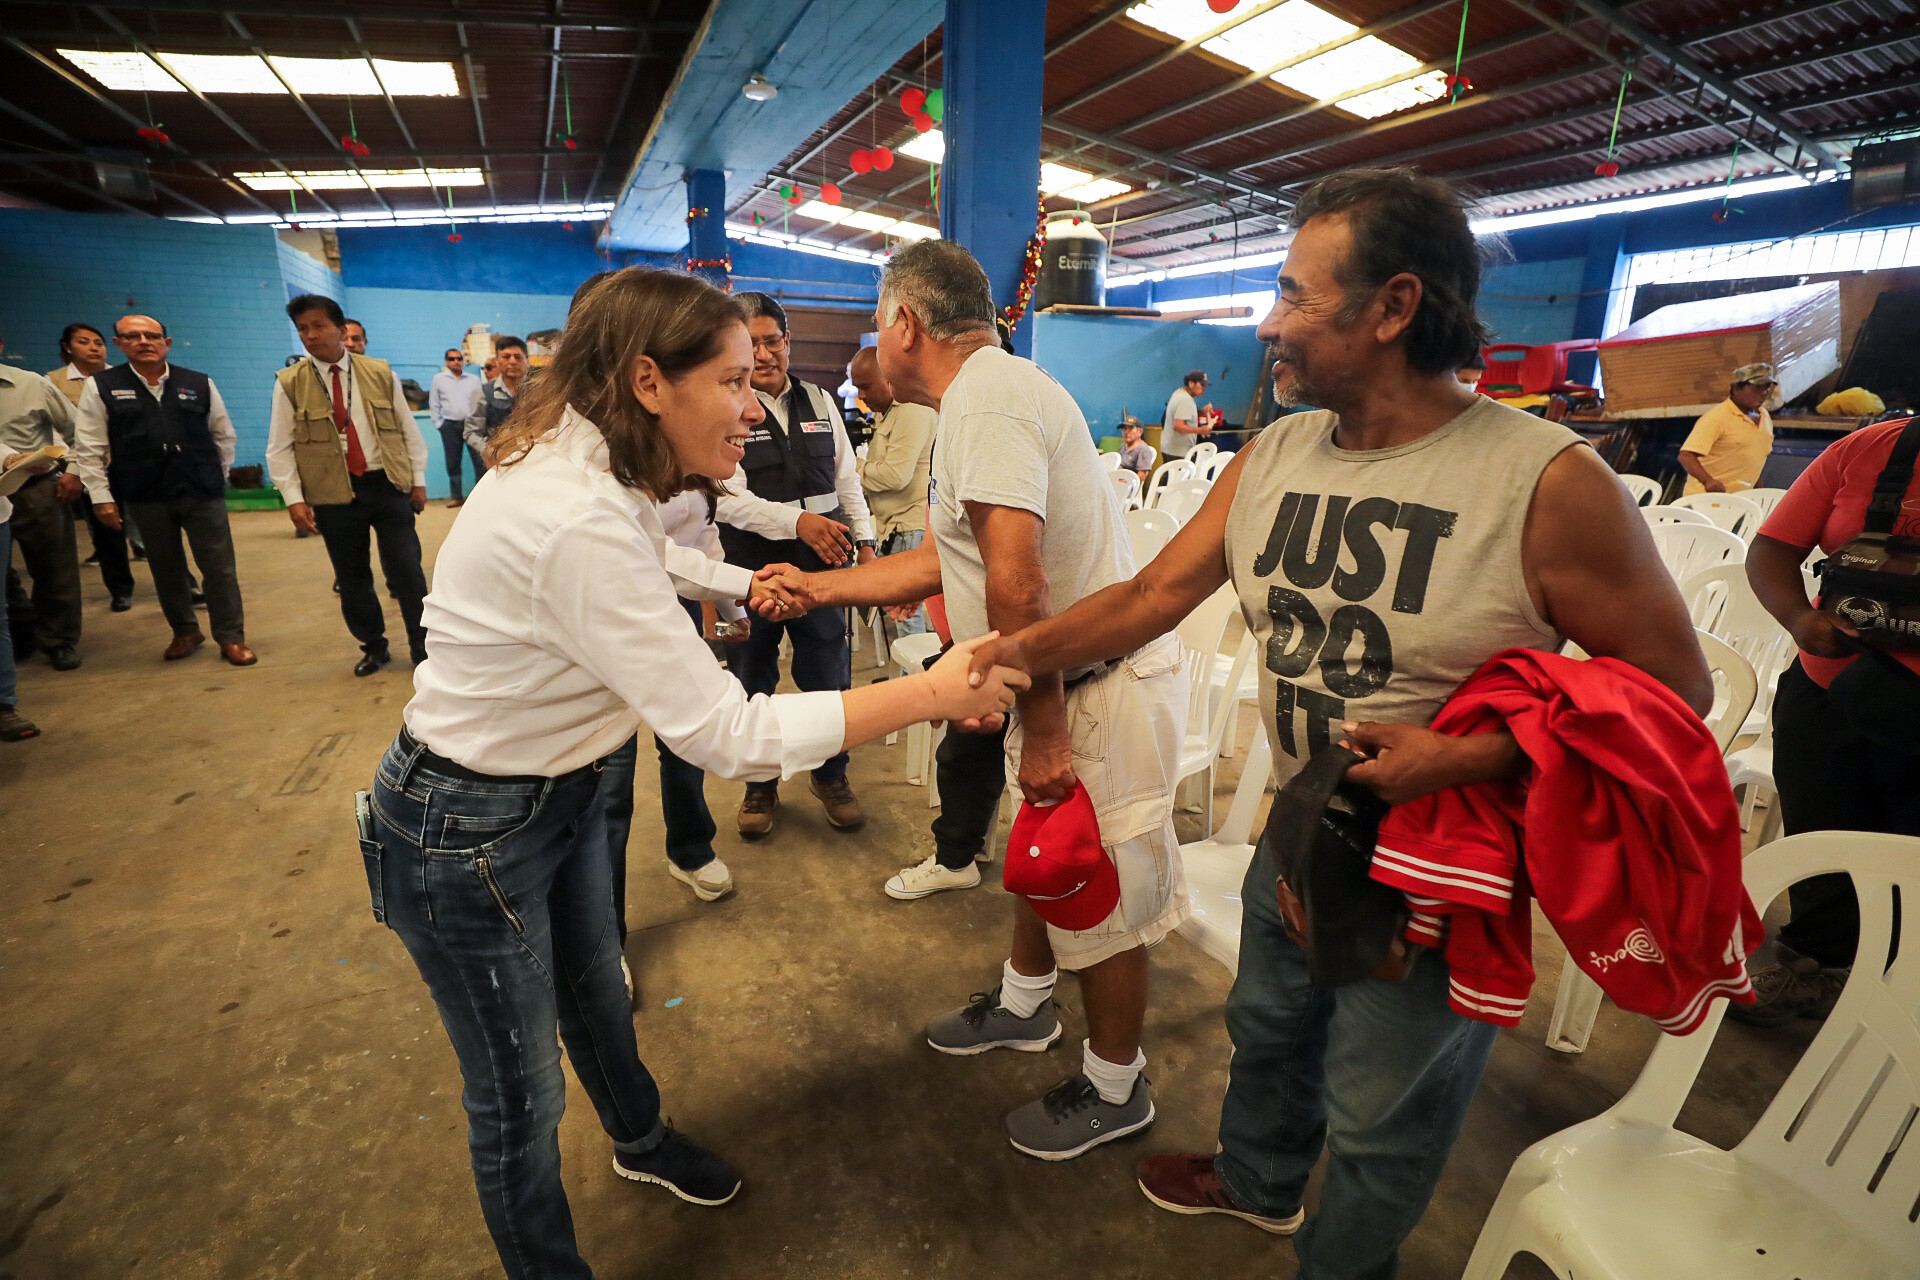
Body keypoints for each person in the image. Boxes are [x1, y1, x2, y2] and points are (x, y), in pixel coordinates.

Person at [962, 168, 1713, 1275]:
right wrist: (1014, 651)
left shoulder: (1542, 480)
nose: (1268, 324)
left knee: (1381, 1108)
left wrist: (1471, 751)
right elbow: (1150, 597)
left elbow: (1674, 690)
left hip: (1440, 857)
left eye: (1293, 296)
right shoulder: (1275, 455)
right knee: (1268, 1024)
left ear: (1394, 306)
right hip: (1303, 817)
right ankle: (1261, 1181)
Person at [365, 266, 1025, 1280]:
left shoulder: (596, 469)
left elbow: (651, 557)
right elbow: (728, 733)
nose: (754, 402)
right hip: (469, 826)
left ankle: (640, 1138)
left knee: (594, 990)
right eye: (729, 378)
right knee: (518, 1093)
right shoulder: (572, 509)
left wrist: (745, 575)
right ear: (646, 382)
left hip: (564, 787)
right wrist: (930, 693)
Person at [755, 238, 1190, 1160]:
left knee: (1099, 900)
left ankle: (1119, 1085)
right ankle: (1027, 1007)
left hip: (1089, 690)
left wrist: (1040, 734)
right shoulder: (982, 396)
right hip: (1059, 682)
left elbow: (1018, 586)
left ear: (906, 323)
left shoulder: (986, 400)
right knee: (1044, 856)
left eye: (879, 320)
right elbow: (942, 562)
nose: (877, 337)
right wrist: (818, 585)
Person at [1733, 413, 1920, 1025]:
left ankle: (1894, 994)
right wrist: (1799, 619)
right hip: (1828, 688)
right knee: (1821, 831)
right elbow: (1774, 547)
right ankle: (1818, 962)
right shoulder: (1873, 448)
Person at [715, 293, 877, 837]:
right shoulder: (725, 405)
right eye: (751, 343)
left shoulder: (821, 399)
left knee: (828, 674)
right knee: (753, 673)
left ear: (789, 343)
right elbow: (727, 498)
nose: (763, 354)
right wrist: (796, 523)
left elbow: (847, 480)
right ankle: (760, 785)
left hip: (823, 561)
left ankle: (831, 776)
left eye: (772, 340)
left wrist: (869, 543)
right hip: (752, 565)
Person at [71, 315, 255, 666]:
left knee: (219, 568)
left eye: (152, 335)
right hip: (145, 493)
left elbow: (223, 435)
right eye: (133, 336)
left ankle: (231, 637)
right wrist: (101, 497)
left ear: (166, 343)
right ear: (119, 343)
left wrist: (216, 476)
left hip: (201, 492)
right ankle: (185, 631)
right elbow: (89, 446)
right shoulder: (103, 386)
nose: (144, 341)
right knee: (165, 567)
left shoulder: (197, 382)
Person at [268, 294, 432, 676]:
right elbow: (279, 448)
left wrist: (418, 481)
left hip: (387, 484)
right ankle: (373, 647)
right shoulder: (289, 384)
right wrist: (294, 499)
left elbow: (409, 432)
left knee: (408, 570)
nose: (310, 335)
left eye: (319, 326)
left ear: (341, 331)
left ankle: (422, 647)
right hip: (333, 494)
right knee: (352, 577)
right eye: (303, 329)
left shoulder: (379, 372)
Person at [46, 322, 137, 610]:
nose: (94, 347)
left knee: (158, 524)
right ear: (67, 347)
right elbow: (54, 432)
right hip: (90, 466)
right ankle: (121, 589)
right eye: (84, 342)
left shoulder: (124, 377)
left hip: (134, 463)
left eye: (98, 342)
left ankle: (184, 583)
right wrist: (71, 468)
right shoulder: (51, 382)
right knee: (107, 532)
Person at [0, 358, 82, 670]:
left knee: (53, 568)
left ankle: (58, 641)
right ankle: (22, 632)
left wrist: (73, 472)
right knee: (2, 573)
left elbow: (78, 429)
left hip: (35, 488)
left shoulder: (32, 383)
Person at [850, 345, 936, 636]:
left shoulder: (911, 411)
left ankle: (920, 681)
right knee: (901, 618)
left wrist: (851, 468)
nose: (861, 396)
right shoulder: (885, 413)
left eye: (865, 386)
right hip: (893, 529)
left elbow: (895, 475)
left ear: (887, 377)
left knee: (906, 619)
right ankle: (912, 678)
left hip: (909, 528)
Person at [1680, 362, 1776, 495]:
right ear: (1736, 388)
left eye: (1767, 387)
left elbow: (1753, 458)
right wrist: (1708, 481)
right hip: (1706, 500)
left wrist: (1757, 492)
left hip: (1740, 499)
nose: (1763, 393)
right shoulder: (1717, 417)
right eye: (1757, 388)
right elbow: (1686, 455)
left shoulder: (1764, 416)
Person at [430, 347, 486, 507]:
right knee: (453, 462)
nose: (456, 361)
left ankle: (480, 497)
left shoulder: (474, 379)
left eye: (459, 359)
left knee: (480, 460)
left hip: (472, 426)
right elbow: (434, 403)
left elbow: (480, 401)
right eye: (452, 359)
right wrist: (439, 424)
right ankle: (457, 496)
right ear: (446, 362)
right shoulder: (439, 379)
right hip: (449, 426)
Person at [463, 336, 527, 468]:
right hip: (496, 464)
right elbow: (471, 432)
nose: (513, 361)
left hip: (531, 464)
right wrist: (492, 453)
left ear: (528, 361)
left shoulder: (540, 392)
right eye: (506, 356)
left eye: (518, 357)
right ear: (497, 361)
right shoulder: (483, 392)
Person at [1161, 368, 1210, 459]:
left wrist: (1203, 411)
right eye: (1202, 384)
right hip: (1178, 453)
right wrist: (1201, 430)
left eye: (1205, 386)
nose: (1204, 388)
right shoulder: (1185, 400)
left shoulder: (1179, 393)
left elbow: (1187, 417)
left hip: (1171, 449)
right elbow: (1178, 426)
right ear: (1191, 383)